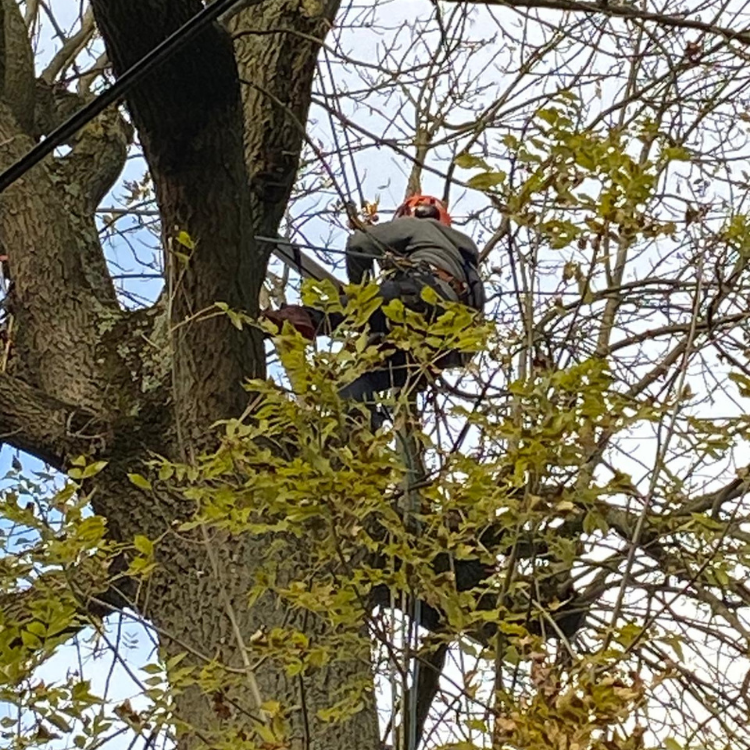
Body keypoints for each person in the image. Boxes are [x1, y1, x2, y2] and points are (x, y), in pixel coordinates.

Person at [265, 195, 486, 426]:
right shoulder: (468, 267)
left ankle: (303, 318)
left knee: (364, 305)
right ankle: (356, 430)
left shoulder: (421, 225)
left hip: (421, 296)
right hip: (438, 351)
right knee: (362, 382)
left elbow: (359, 243)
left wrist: (361, 294)